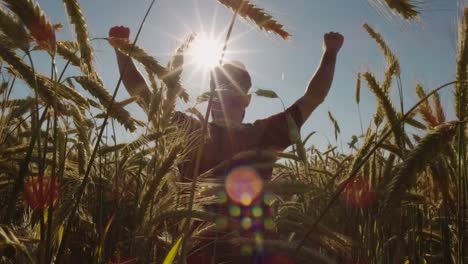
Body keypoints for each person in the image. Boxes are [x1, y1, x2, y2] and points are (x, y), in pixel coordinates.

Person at [109, 26, 344, 263]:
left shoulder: (266, 133)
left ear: (246, 100)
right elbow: (145, 97)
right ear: (210, 96)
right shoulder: (190, 130)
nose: (225, 100)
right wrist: (121, 51)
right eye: (220, 93)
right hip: (198, 254)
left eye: (233, 94)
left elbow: (313, 97)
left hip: (255, 255)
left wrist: (330, 53)